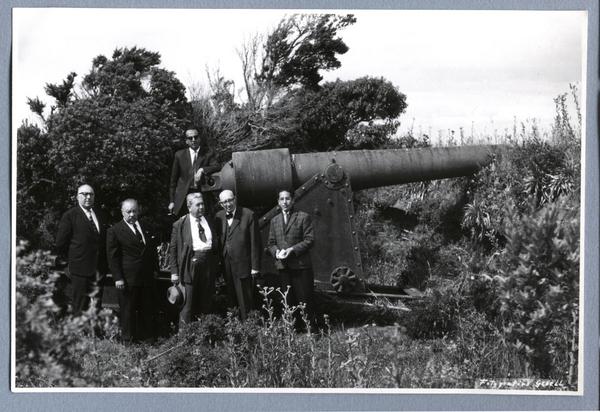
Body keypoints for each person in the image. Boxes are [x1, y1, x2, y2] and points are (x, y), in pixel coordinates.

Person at [106, 199, 159, 344]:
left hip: (146, 277)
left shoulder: (146, 227)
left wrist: (155, 269)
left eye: (134, 211)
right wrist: (118, 278)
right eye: (128, 211)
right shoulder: (115, 230)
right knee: (127, 311)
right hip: (128, 278)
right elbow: (113, 257)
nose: (132, 214)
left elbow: (151, 251)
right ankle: (127, 341)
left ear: (138, 211)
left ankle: (147, 340)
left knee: (146, 309)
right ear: (122, 212)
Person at [55, 184, 109, 315]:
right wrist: (69, 264)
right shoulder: (70, 216)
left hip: (98, 269)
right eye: (84, 194)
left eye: (91, 194)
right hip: (79, 270)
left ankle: (94, 334)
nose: (88, 197)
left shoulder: (100, 215)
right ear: (77, 197)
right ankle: (79, 334)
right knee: (80, 306)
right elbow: (60, 244)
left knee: (96, 304)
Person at [169, 192, 219, 326]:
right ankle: (184, 340)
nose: (202, 207)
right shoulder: (180, 224)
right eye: (198, 205)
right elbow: (173, 249)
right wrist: (174, 272)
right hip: (189, 266)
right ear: (189, 206)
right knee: (188, 304)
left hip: (208, 265)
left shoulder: (209, 220)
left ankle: (204, 336)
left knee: (206, 302)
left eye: (202, 204)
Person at [267, 190, 315, 329]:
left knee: (305, 299)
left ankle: (311, 330)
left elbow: (310, 240)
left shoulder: (303, 217)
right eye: (281, 199)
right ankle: (294, 330)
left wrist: (292, 250)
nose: (285, 202)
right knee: (288, 300)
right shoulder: (274, 220)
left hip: (301, 266)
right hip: (283, 267)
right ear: (278, 202)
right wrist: (276, 252)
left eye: (287, 199)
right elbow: (270, 243)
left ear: (292, 200)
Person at [214, 190, 260, 320]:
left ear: (235, 199)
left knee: (245, 299)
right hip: (226, 264)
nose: (228, 204)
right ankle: (234, 326)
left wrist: (255, 267)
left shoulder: (248, 214)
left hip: (243, 264)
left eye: (230, 200)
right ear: (220, 203)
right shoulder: (218, 216)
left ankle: (249, 327)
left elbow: (255, 242)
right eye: (224, 202)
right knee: (230, 297)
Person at [168, 128, 220, 216]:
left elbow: (217, 166)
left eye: (196, 137)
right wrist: (172, 201)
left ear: (199, 138)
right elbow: (173, 181)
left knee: (205, 221)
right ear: (186, 141)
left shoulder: (208, 153)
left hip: (203, 195)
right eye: (190, 138)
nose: (193, 140)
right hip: (184, 196)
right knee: (185, 224)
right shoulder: (179, 155)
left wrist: (202, 170)